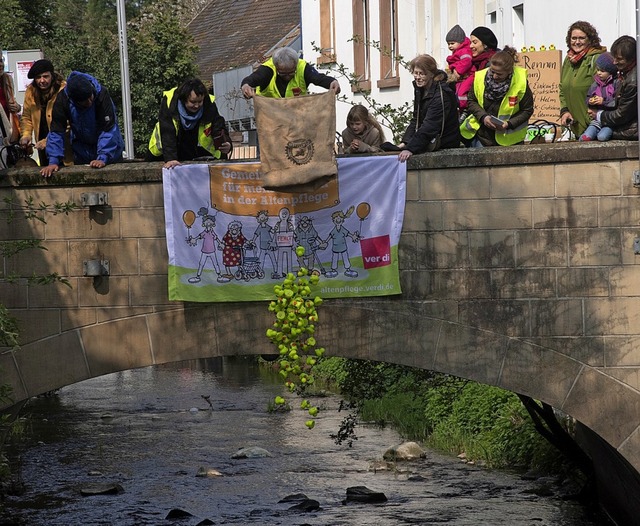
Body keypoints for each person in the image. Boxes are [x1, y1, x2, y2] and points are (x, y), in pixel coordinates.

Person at [40, 71, 124, 177]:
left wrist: (103, 157)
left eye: (90, 97)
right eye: (85, 101)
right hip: (81, 151)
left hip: (110, 152)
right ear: (74, 100)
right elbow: (56, 131)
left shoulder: (102, 95)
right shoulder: (63, 100)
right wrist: (53, 161)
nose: (89, 102)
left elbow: (108, 129)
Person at [147, 77, 232, 169]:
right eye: (193, 102)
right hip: (163, 154)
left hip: (194, 152)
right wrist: (170, 159)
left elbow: (218, 126)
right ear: (184, 99)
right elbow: (167, 132)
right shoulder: (169, 102)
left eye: (200, 102)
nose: (197, 106)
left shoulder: (209, 104)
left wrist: (227, 143)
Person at [391, 54, 460, 162]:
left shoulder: (441, 94)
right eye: (415, 73)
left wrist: (411, 149)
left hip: (445, 145)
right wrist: (405, 143)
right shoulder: (421, 89)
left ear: (431, 74)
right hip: (433, 142)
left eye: (422, 74)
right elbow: (416, 119)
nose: (418, 77)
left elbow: (430, 125)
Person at [460, 46, 534, 147]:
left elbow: (527, 110)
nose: (494, 76)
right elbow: (471, 101)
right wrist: (483, 117)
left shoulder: (520, 82)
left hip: (509, 139)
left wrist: (509, 124)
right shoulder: (480, 77)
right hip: (481, 135)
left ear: (509, 72)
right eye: (492, 71)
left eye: (499, 74)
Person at [19, 59, 71, 166]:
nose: (42, 81)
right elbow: (26, 117)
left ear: (52, 75)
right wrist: (26, 136)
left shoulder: (63, 90)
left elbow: (68, 123)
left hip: (63, 145)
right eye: (38, 77)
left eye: (45, 76)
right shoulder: (31, 91)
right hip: (41, 145)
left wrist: (48, 141)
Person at [559, 21, 605, 138]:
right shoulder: (568, 59)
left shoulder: (597, 58)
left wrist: (593, 113)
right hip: (575, 125)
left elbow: (605, 89)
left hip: (593, 125)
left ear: (590, 39)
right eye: (574, 38)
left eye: (581, 38)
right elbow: (562, 88)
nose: (577, 42)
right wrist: (565, 111)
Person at [240, 47, 340, 99]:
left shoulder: (303, 68)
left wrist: (332, 82)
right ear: (276, 67)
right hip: (270, 116)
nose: (287, 76)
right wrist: (245, 86)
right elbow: (254, 78)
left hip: (296, 116)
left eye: (291, 72)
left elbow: (318, 78)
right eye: (283, 73)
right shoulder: (268, 69)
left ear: (296, 65)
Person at [592, 35, 638, 141]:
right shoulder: (626, 73)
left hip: (630, 131)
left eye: (619, 59)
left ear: (632, 58)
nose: (615, 62)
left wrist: (599, 115)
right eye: (614, 57)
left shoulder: (633, 82)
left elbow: (622, 114)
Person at [455, 26, 500, 121]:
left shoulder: (493, 65)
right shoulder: (475, 63)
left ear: (485, 45)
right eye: (471, 42)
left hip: (490, 119)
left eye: (475, 42)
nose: (471, 46)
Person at [580, 52, 618, 142]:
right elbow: (588, 96)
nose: (599, 73)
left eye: (602, 71)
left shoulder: (616, 83)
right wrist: (590, 101)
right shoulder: (595, 84)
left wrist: (603, 101)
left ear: (610, 71)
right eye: (598, 70)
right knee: (586, 137)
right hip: (596, 119)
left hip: (609, 119)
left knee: (602, 137)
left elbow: (617, 101)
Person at [445, 24, 473, 115]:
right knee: (457, 91)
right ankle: (459, 107)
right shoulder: (457, 51)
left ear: (461, 42)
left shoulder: (464, 51)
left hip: (469, 75)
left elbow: (467, 61)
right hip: (461, 77)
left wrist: (458, 70)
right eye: (448, 44)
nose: (450, 46)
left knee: (462, 91)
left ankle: (464, 108)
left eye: (452, 43)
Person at [0, 49, 21, 144]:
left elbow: (12, 102)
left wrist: (17, 107)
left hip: (10, 131)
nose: (0, 64)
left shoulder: (7, 79)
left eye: (1, 60)